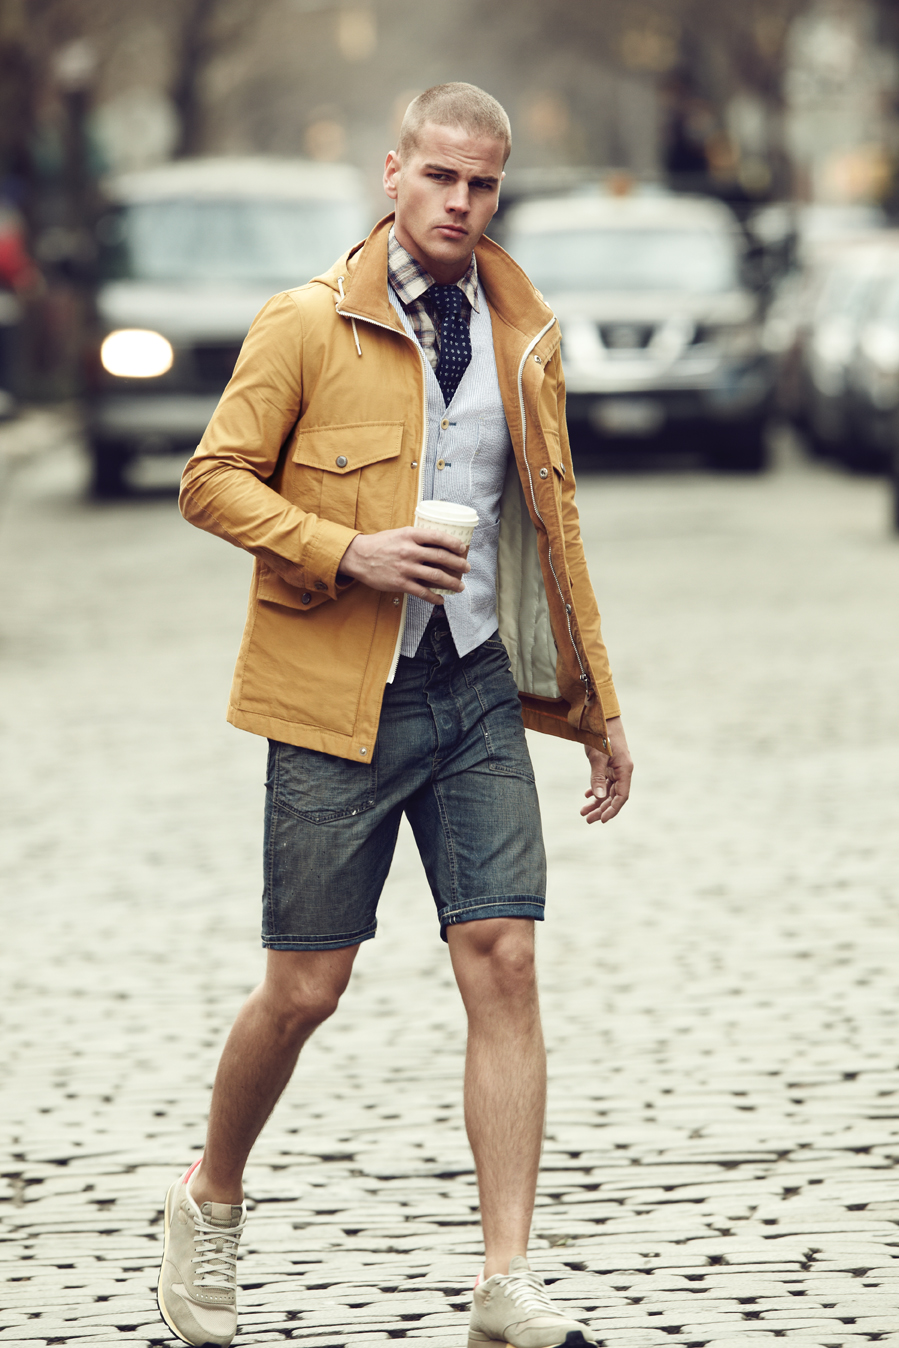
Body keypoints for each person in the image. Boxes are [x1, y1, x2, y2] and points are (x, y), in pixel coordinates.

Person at [158, 82, 633, 1348]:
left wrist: (594, 705)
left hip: (470, 684)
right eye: (440, 177)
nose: (460, 203)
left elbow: (555, 530)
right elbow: (210, 480)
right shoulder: (307, 322)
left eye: (483, 184)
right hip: (335, 696)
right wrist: (344, 550)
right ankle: (210, 1193)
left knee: (504, 957)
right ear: (392, 173)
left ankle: (503, 1282)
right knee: (305, 987)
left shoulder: (522, 334)